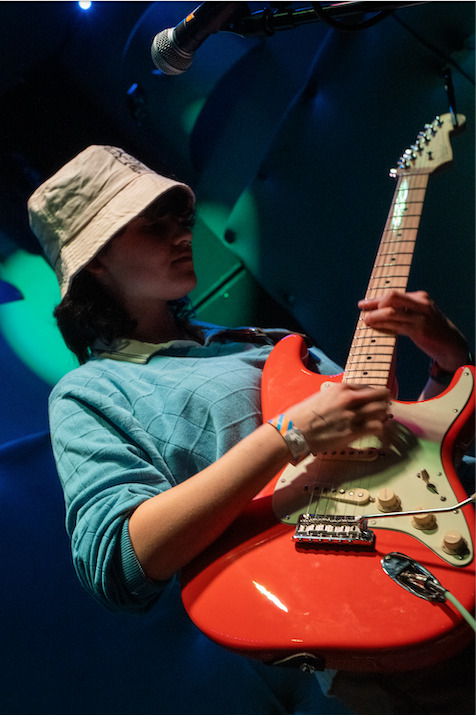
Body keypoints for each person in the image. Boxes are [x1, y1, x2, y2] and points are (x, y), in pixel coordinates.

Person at [27, 145, 474, 714]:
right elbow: (117, 564)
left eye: (180, 218)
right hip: (370, 597)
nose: (182, 234)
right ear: (95, 261)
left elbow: (397, 456)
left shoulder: (264, 341)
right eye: (153, 226)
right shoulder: (91, 390)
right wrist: (288, 434)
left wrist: (448, 362)